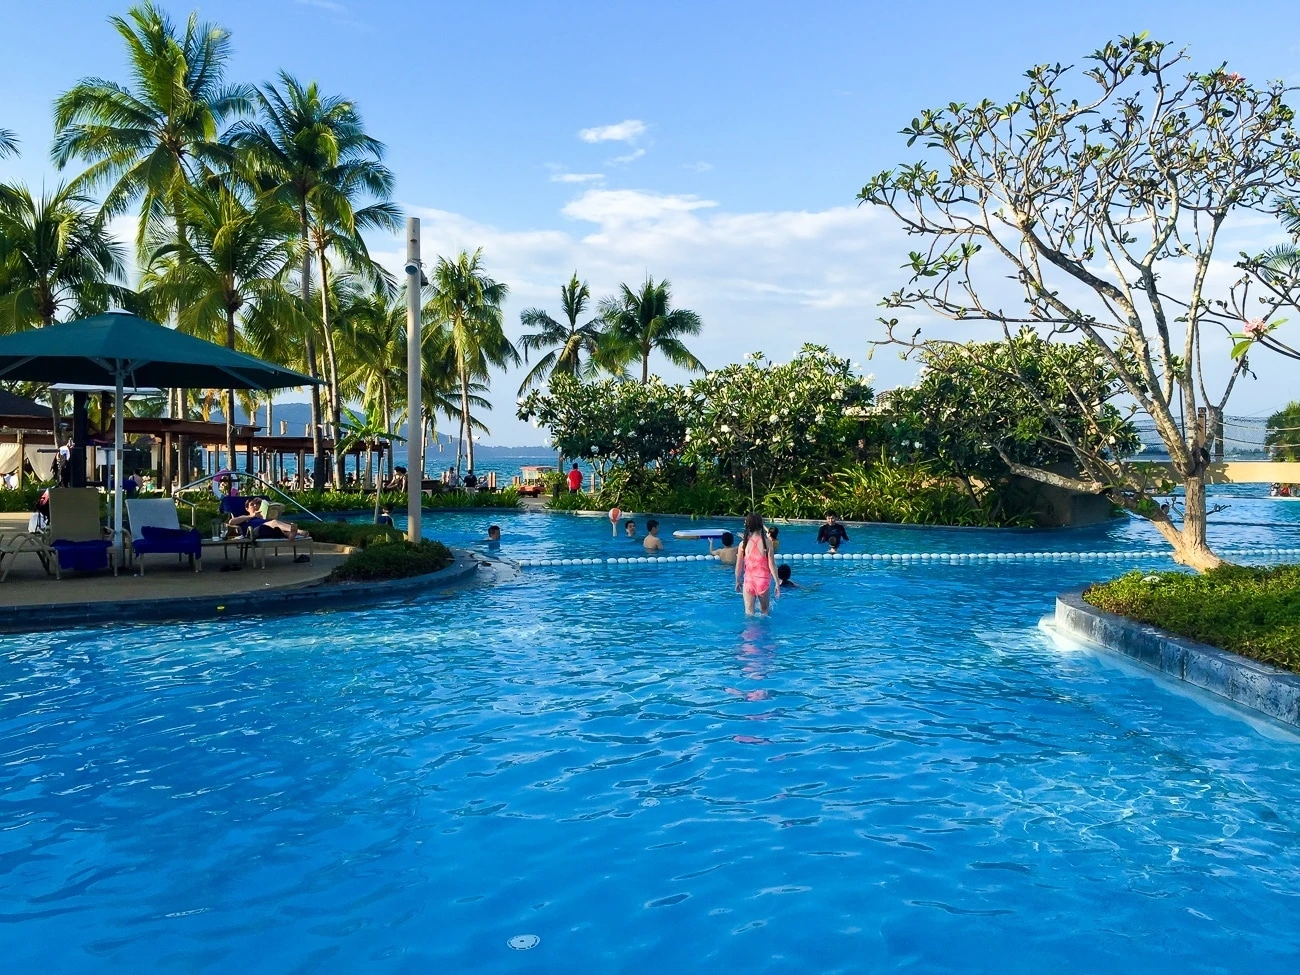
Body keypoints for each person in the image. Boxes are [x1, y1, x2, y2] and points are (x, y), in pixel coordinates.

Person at [735, 513, 779, 616]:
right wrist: (777, 582)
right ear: (761, 525)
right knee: (765, 611)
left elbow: (738, 566)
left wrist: (737, 580)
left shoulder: (743, 544)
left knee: (749, 613)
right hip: (763, 581)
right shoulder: (767, 543)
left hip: (749, 581)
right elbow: (772, 565)